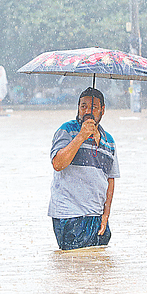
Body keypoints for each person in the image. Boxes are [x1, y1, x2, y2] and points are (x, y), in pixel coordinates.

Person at [48, 87, 118, 250]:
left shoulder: (109, 141)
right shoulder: (66, 130)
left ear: (102, 110)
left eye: (94, 107)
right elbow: (58, 164)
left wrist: (105, 214)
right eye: (83, 106)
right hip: (70, 215)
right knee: (74, 268)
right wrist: (81, 136)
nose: (88, 111)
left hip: (97, 215)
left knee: (98, 267)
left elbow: (110, 179)